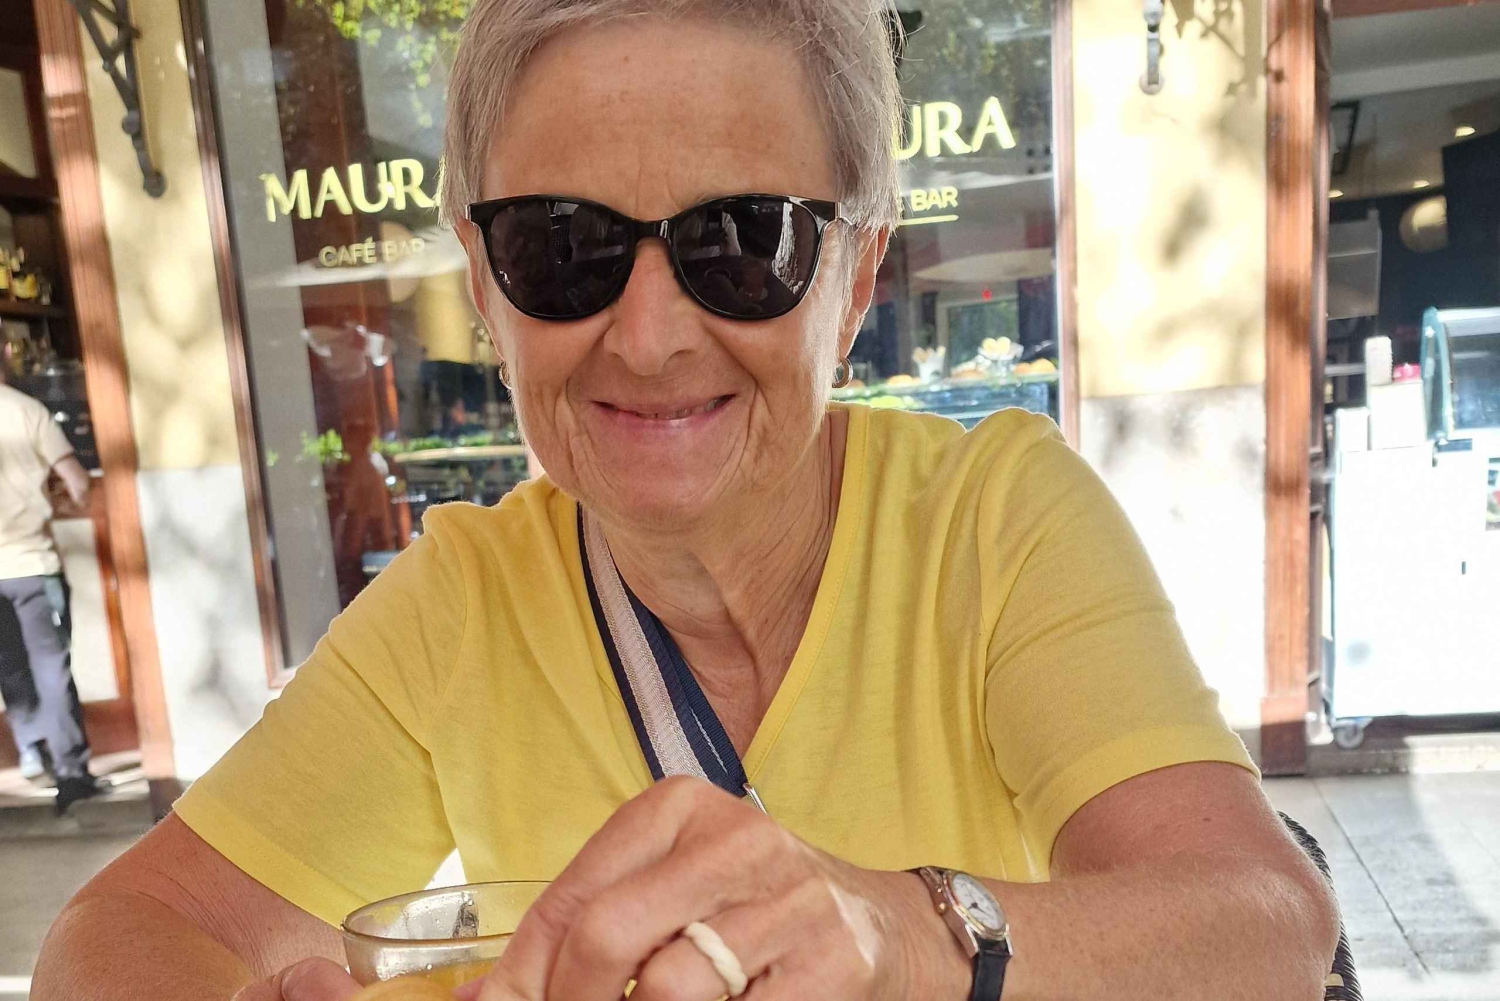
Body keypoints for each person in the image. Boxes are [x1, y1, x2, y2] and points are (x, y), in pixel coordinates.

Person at [34, 1, 1339, 998]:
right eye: (562, 245)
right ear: (484, 289)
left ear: (857, 277)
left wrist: (906, 932)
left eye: (743, 240)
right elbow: (121, 931)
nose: (649, 338)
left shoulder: (991, 521)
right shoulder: (463, 602)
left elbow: (1267, 923)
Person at [0, 374, 100, 814]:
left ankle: (32, 749)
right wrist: (60, 503)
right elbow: (78, 482)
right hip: (32, 565)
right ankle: (71, 774)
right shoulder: (27, 410)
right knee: (50, 667)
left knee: (10, 668)